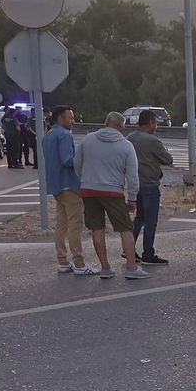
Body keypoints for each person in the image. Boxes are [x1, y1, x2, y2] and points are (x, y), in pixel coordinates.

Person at [74, 111, 146, 280]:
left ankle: (105, 267)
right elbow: (132, 175)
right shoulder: (126, 146)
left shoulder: (88, 140)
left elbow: (77, 164)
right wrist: (132, 198)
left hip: (89, 190)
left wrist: (85, 180)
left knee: (97, 228)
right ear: (122, 127)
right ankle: (131, 267)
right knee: (125, 228)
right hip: (113, 191)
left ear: (106, 123)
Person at [41, 105, 89, 274]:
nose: (73, 121)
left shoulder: (48, 135)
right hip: (69, 184)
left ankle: (63, 261)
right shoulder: (64, 135)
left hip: (56, 185)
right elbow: (67, 160)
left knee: (61, 224)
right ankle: (79, 263)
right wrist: (83, 161)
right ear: (61, 118)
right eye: (70, 118)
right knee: (75, 224)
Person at [127, 110, 174, 265]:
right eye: (156, 123)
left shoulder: (130, 138)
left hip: (135, 184)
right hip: (150, 184)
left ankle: (128, 247)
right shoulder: (152, 140)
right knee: (150, 220)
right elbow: (168, 159)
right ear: (150, 123)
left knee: (139, 217)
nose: (157, 126)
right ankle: (148, 253)